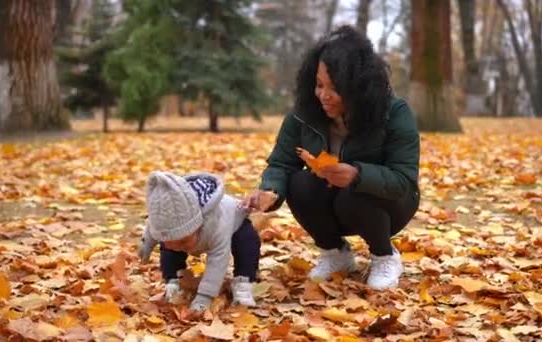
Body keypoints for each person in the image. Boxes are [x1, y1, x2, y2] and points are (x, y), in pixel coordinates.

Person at [242, 25, 420, 290]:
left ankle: (385, 256)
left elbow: (404, 180)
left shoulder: (394, 112)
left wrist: (358, 174)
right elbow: (281, 163)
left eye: (334, 88)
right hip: (330, 203)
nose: (323, 95)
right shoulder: (303, 115)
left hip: (388, 206)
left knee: (354, 190)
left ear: (358, 88)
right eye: (318, 84)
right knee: (299, 182)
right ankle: (335, 255)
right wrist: (270, 191)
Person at [138, 171, 260, 311]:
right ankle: (174, 282)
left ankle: (243, 281)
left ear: (197, 227)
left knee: (247, 241)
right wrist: (145, 246)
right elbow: (153, 227)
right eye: (172, 241)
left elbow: (218, 261)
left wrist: (204, 297)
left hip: (235, 223)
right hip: (182, 231)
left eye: (184, 241)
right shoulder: (164, 221)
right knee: (169, 247)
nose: (179, 247)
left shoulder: (216, 226)